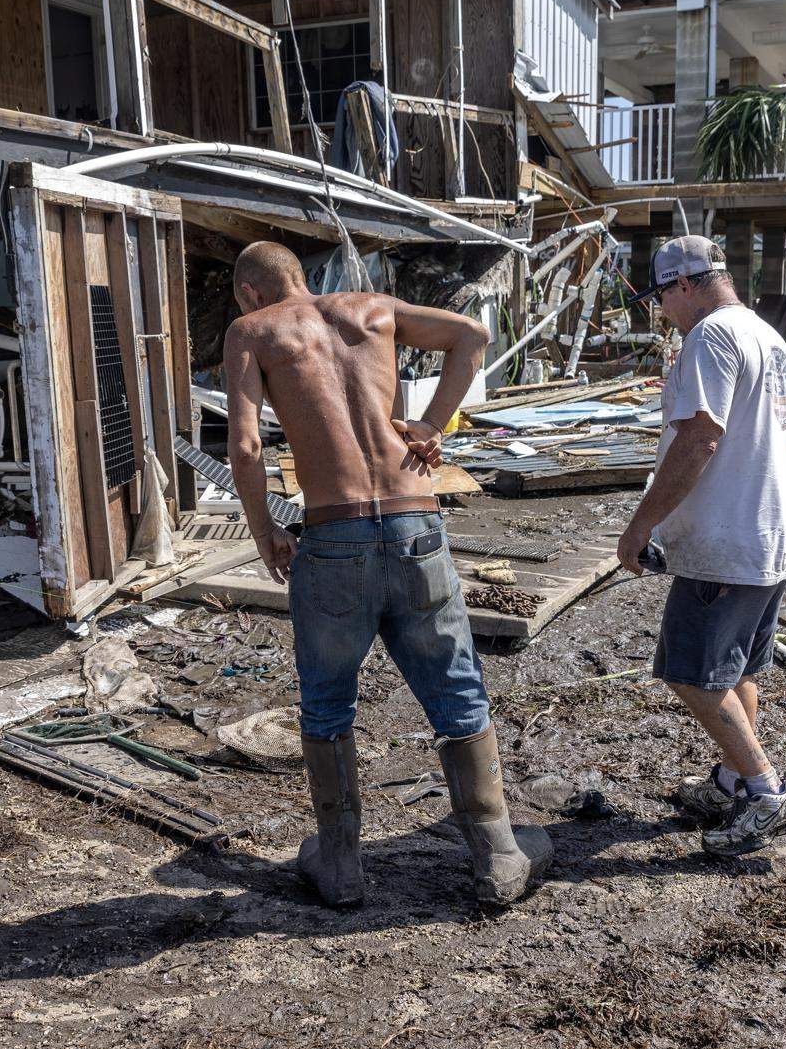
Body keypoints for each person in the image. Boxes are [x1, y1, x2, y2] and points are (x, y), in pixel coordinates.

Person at [222, 241, 552, 908]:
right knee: (456, 687)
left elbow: (247, 444)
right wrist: (432, 423)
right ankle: (498, 857)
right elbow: (473, 335)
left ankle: (341, 867)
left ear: (252, 294)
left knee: (327, 698)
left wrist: (265, 531)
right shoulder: (373, 308)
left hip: (334, 532)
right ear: (300, 277)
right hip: (414, 525)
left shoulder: (252, 331)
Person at [615, 235, 786, 856]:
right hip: (769, 529)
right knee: (738, 667)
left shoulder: (711, 337)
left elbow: (700, 440)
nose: (663, 314)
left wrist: (641, 524)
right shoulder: (764, 334)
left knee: (693, 673)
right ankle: (734, 777)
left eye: (661, 299)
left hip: (728, 534)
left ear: (683, 284)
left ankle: (764, 790)